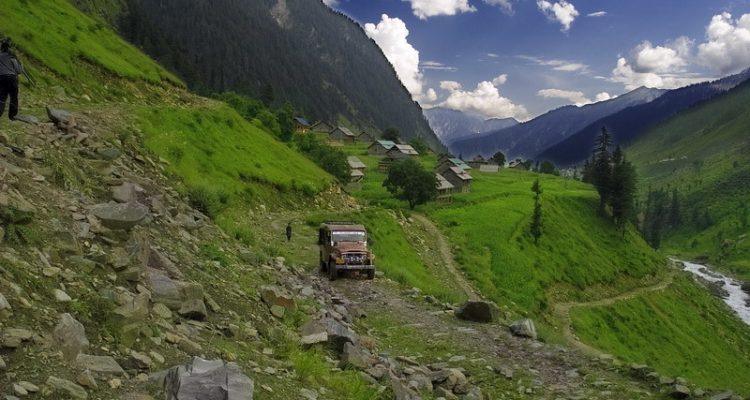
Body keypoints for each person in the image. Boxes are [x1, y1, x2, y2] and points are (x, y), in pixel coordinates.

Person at [0, 38, 24, 121]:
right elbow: (19, 71)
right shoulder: (12, 57)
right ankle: (12, 116)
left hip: (1, 78)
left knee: (2, 97)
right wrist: (21, 64)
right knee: (13, 97)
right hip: (12, 78)